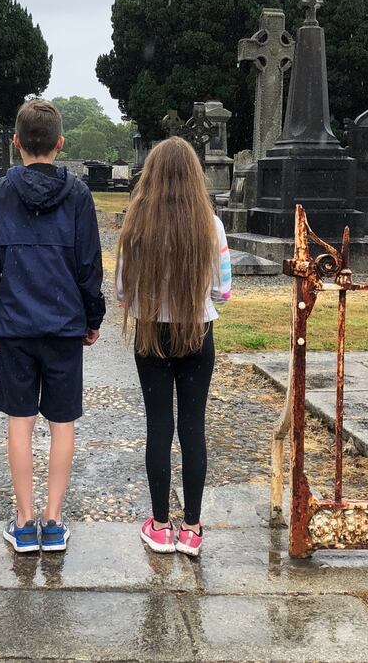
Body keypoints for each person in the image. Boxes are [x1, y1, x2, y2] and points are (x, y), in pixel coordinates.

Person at [0, 99, 105, 553]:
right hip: (64, 323)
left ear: (16, 142)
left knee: (20, 421)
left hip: (17, 323)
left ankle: (25, 520)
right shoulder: (78, 195)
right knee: (62, 423)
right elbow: (88, 265)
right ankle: (53, 518)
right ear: (59, 143)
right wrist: (92, 316)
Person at [116, 137, 231, 557]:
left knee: (159, 426)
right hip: (198, 331)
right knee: (193, 426)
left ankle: (161, 525)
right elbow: (223, 291)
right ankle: (193, 528)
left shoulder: (136, 223)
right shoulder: (210, 225)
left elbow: (123, 292)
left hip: (151, 333)